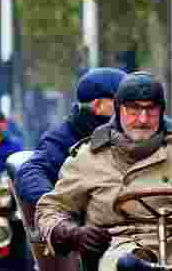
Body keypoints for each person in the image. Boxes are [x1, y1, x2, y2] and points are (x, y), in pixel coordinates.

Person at [36, 71, 172, 271]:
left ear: (161, 111)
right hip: (119, 242)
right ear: (118, 111)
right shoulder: (89, 156)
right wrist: (72, 233)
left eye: (151, 110)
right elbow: (51, 208)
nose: (143, 119)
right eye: (134, 110)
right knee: (121, 269)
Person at [15, 67, 126, 206]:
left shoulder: (134, 133)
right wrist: (55, 208)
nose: (132, 111)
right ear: (98, 105)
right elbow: (32, 172)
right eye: (123, 103)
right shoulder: (63, 138)